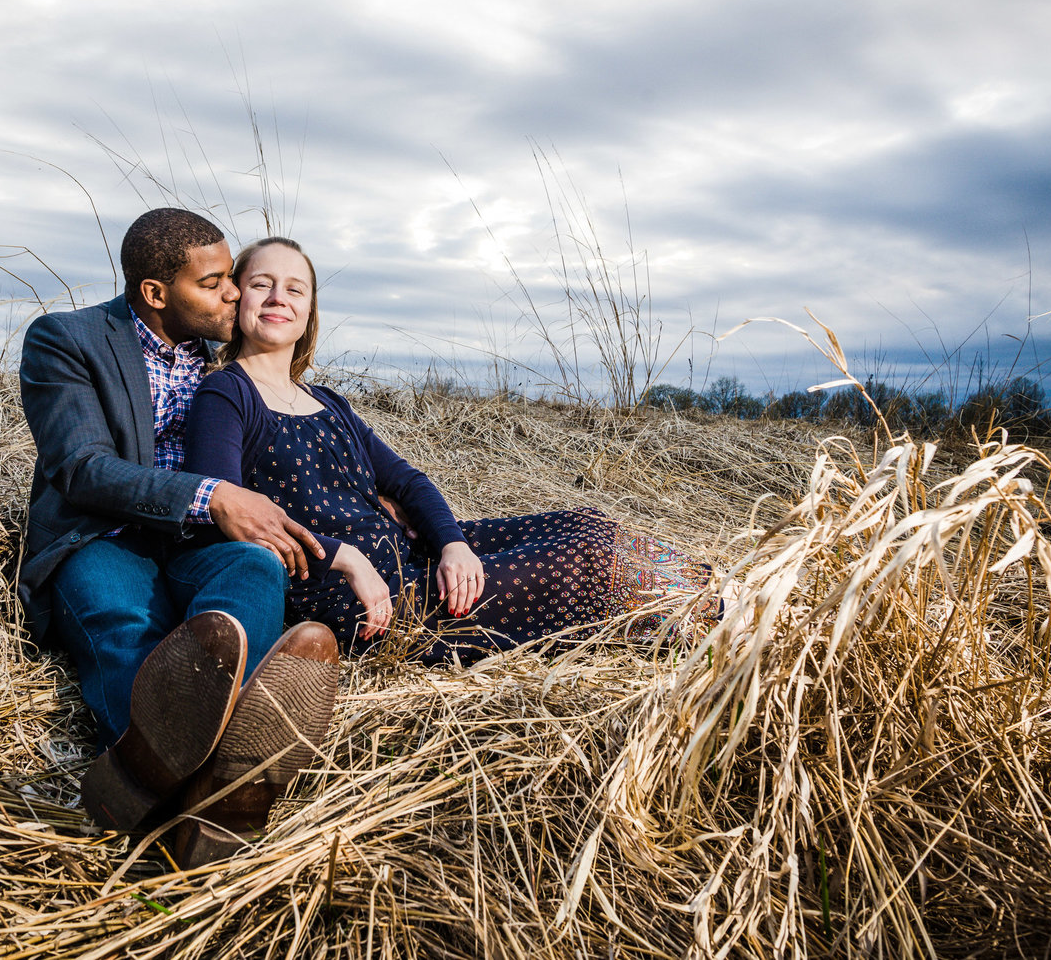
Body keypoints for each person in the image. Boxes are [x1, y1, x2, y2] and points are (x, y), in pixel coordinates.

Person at [182, 237, 713, 662]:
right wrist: (346, 561)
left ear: (310, 310)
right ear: (237, 299)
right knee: (588, 562)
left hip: (405, 556)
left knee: (587, 524)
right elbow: (228, 517)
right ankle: (704, 623)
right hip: (347, 596)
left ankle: (715, 597)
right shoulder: (226, 393)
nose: (279, 298)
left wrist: (452, 544)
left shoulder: (327, 401)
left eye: (295, 289)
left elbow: (407, 481)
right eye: (261, 284)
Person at [18, 209, 341, 866]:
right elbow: (82, 467)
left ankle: (191, 775)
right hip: (102, 533)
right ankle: (203, 787)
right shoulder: (66, 340)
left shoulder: (225, 354)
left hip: (195, 540)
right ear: (156, 293)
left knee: (254, 570)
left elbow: (285, 429)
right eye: (215, 282)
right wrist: (212, 495)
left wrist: (368, 492)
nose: (234, 292)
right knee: (121, 613)